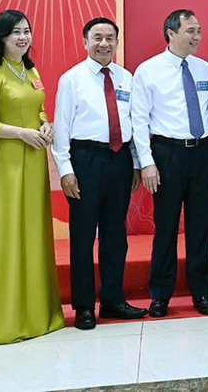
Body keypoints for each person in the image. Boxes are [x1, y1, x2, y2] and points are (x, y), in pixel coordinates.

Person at [0, 10, 64, 345]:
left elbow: (38, 107)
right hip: (7, 160)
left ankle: (36, 313)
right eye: (15, 32)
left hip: (34, 159)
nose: (23, 38)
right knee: (8, 231)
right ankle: (5, 317)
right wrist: (20, 132)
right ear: (0, 37)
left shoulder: (30, 70)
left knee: (33, 230)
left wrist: (45, 122)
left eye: (27, 31)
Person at [53, 17, 145, 329]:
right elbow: (61, 129)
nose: (104, 44)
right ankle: (83, 306)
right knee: (82, 236)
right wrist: (66, 170)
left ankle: (113, 300)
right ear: (85, 42)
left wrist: (135, 162)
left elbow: (133, 122)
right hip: (85, 160)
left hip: (120, 159)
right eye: (97, 38)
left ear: (117, 43)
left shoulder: (126, 77)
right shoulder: (72, 79)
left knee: (115, 235)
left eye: (110, 38)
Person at [132, 10, 208, 318]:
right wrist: (146, 162)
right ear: (171, 33)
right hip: (166, 154)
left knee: (201, 226)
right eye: (190, 31)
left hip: (203, 153)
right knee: (166, 226)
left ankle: (201, 291)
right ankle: (160, 294)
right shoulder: (148, 70)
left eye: (198, 30)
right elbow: (138, 120)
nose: (197, 36)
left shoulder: (205, 69)